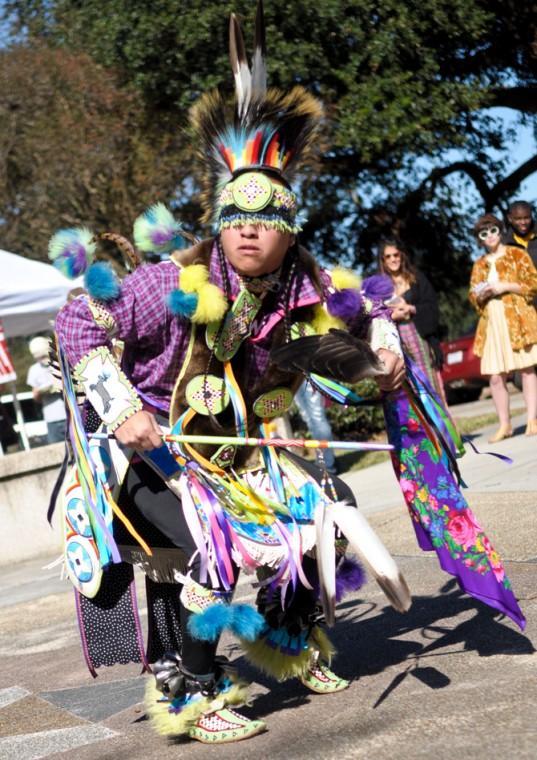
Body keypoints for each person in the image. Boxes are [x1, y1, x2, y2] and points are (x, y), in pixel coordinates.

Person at [51, 4, 525, 746]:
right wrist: (120, 409)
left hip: (236, 450)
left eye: (264, 217)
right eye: (234, 216)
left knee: (321, 514)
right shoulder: (168, 283)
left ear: (288, 231)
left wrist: (386, 355)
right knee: (213, 551)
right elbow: (77, 322)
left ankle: (288, 643)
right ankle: (192, 691)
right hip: (147, 452)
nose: (246, 228)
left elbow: (354, 333)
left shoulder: (303, 289)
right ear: (217, 221)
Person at [469, 213, 537, 441]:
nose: (489, 236)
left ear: (501, 231)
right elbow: (472, 295)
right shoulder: (479, 265)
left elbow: (532, 284)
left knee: (526, 369)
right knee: (496, 377)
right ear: (480, 239)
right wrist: (481, 294)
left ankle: (532, 419)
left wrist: (504, 286)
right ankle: (504, 424)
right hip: (492, 324)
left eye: (493, 231)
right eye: (484, 233)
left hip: (517, 319)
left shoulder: (517, 254)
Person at [378, 240, 447, 405]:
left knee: (431, 381)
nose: (393, 259)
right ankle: (423, 430)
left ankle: (444, 427)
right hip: (396, 340)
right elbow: (375, 315)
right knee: (411, 385)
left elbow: (431, 304)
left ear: (401, 256)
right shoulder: (379, 287)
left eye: (396, 255)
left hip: (420, 335)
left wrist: (411, 308)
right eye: (388, 256)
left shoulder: (416, 278)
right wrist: (393, 314)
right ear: (383, 260)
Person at [26, 336, 66, 444]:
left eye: (44, 356)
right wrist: (41, 392)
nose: (42, 359)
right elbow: (35, 397)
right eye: (39, 357)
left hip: (68, 413)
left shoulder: (61, 362)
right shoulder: (34, 370)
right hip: (51, 419)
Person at [294, 380, 338, 474]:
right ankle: (321, 460)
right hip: (293, 376)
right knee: (308, 419)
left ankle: (328, 464)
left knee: (317, 417)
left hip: (308, 374)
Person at [504, 201, 537, 266]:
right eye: (518, 219)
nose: (523, 222)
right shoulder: (503, 244)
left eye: (527, 218)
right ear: (510, 218)